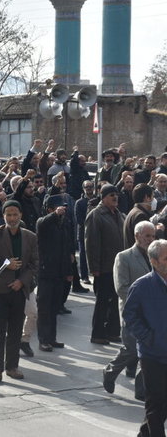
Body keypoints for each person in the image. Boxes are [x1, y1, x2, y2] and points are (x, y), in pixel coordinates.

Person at [0, 200, 38, 381]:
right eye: (8, 214)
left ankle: (12, 366)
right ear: (3, 216)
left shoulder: (30, 237)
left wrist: (22, 281)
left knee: (15, 331)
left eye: (15, 214)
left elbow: (34, 264)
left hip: (19, 290)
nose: (12, 218)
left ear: (20, 215)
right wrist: (5, 264)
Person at [103, 220, 154, 396]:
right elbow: (121, 288)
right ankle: (110, 372)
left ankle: (141, 390)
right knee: (131, 349)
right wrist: (142, 304)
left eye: (153, 236)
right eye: (147, 236)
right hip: (132, 312)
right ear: (136, 236)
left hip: (153, 313)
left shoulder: (155, 256)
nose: (150, 239)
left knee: (148, 352)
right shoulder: (124, 257)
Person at [122, 239, 167, 437]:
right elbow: (129, 316)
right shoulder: (141, 286)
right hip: (153, 355)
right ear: (154, 261)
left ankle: (143, 434)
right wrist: (148, 337)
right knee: (155, 403)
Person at [85, 184, 125, 345]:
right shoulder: (96, 215)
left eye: (116, 194)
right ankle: (98, 334)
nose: (115, 197)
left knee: (115, 300)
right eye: (111, 195)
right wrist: (94, 268)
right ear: (103, 197)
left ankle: (113, 332)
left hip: (118, 266)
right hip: (103, 267)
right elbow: (91, 243)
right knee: (102, 301)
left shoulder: (119, 214)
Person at [35, 195, 74, 352]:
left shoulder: (64, 225)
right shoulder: (43, 222)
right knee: (44, 307)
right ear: (49, 209)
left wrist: (69, 271)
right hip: (46, 271)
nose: (62, 210)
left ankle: (52, 338)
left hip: (59, 272)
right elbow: (43, 224)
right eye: (58, 207)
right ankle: (43, 339)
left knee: (54, 307)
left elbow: (68, 250)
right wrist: (53, 215)